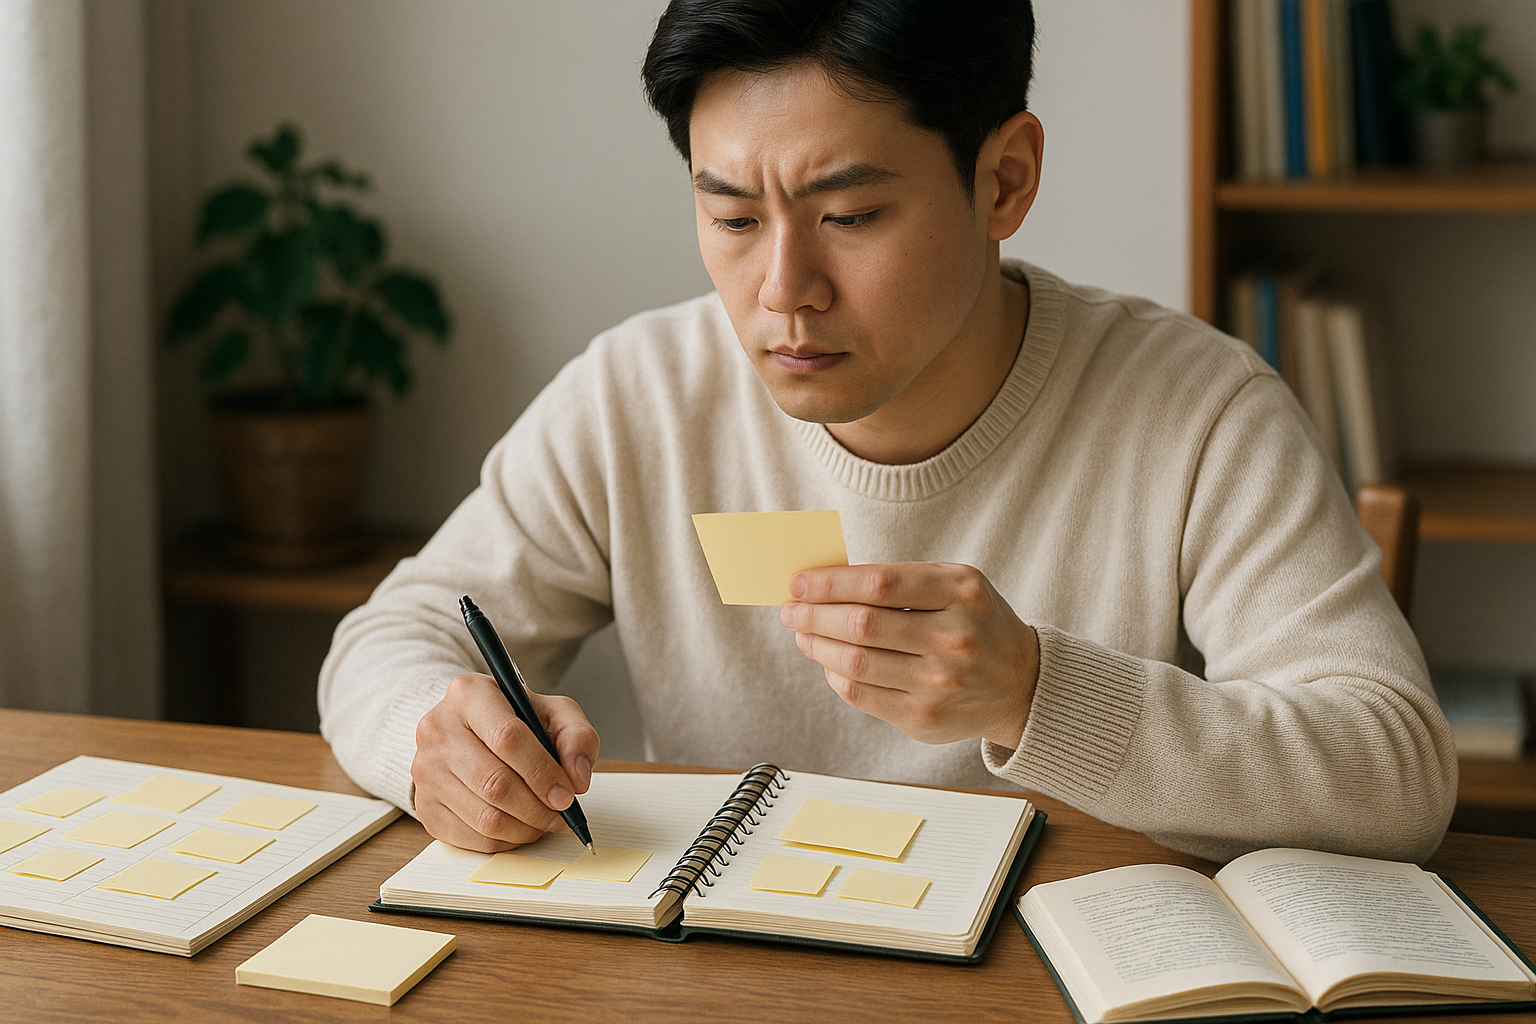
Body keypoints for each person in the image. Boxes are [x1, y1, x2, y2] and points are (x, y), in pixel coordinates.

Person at [319, 0, 1457, 864]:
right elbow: (397, 633)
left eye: (851, 216)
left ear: (1005, 179)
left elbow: (1394, 772)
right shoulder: (640, 392)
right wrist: (435, 734)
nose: (783, 290)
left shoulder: (1197, 413)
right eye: (729, 214)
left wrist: (1033, 691)